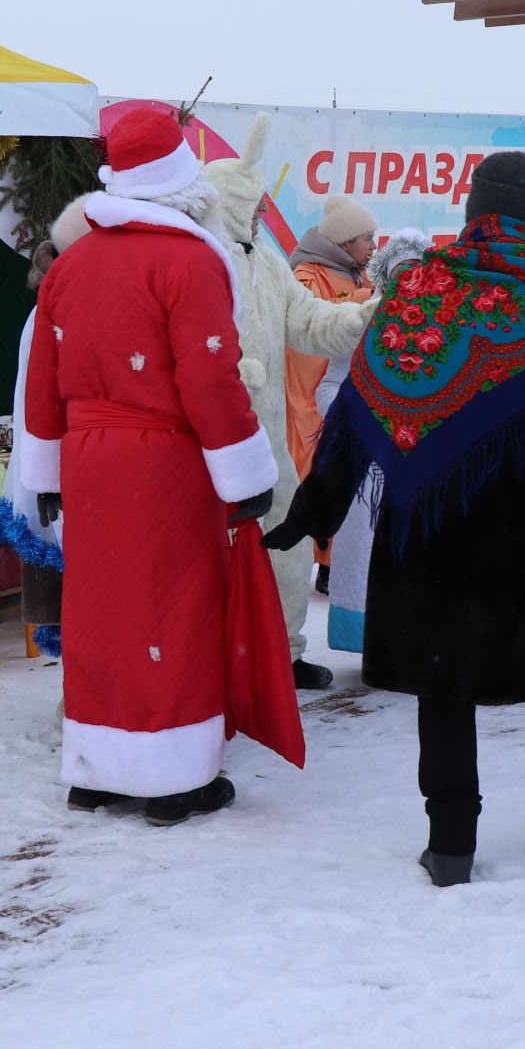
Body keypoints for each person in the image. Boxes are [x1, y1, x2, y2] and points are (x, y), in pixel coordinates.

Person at [264, 151, 525, 887]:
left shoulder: (418, 288)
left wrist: (314, 510)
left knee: (445, 687)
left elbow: (363, 414)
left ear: (471, 206)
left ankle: (452, 843)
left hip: (432, 529)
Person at [21, 107, 294, 827]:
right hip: (166, 460)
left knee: (100, 609)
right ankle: (175, 778)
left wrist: (45, 475)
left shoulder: (72, 263)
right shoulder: (191, 259)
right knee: (174, 609)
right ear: (184, 180)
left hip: (86, 459)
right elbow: (210, 378)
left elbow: (40, 379)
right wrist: (247, 474)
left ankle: (97, 770)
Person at [201, 115, 375, 690]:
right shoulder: (199, 262)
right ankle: (218, 658)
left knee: (287, 542)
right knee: (217, 554)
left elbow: (310, 323)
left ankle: (285, 649)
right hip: (210, 444)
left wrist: (364, 316)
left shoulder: (267, 260)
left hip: (268, 436)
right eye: (249, 206)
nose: (257, 215)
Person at [314, 227, 432, 654]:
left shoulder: (446, 328)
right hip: (369, 468)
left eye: (417, 276)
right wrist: (361, 417)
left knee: (421, 555)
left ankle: (419, 643)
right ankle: (374, 644)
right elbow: (328, 388)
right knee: (367, 557)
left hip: (425, 468)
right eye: (401, 277)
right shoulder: (362, 321)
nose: (409, 287)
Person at [0, 195, 91, 659]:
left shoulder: (70, 305)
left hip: (83, 458)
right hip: (71, 463)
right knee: (80, 581)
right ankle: (81, 690)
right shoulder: (51, 313)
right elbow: (41, 404)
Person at [285, 195, 378, 595]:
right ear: (343, 243)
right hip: (311, 397)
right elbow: (313, 323)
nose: (374, 246)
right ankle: (322, 562)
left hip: (344, 392)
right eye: (366, 238)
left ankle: (335, 563)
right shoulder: (307, 275)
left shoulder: (360, 275)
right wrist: (365, 302)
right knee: (318, 474)